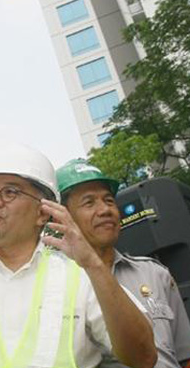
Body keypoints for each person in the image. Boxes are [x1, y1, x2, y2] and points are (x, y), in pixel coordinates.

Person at [0, 142, 157, 368]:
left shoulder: (82, 277)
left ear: (42, 212)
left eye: (10, 192)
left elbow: (143, 357)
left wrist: (93, 265)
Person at [56, 158, 190, 368]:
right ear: (62, 217)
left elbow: (185, 356)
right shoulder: (56, 286)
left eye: (109, 200)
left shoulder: (155, 273)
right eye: (89, 202)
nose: (105, 210)